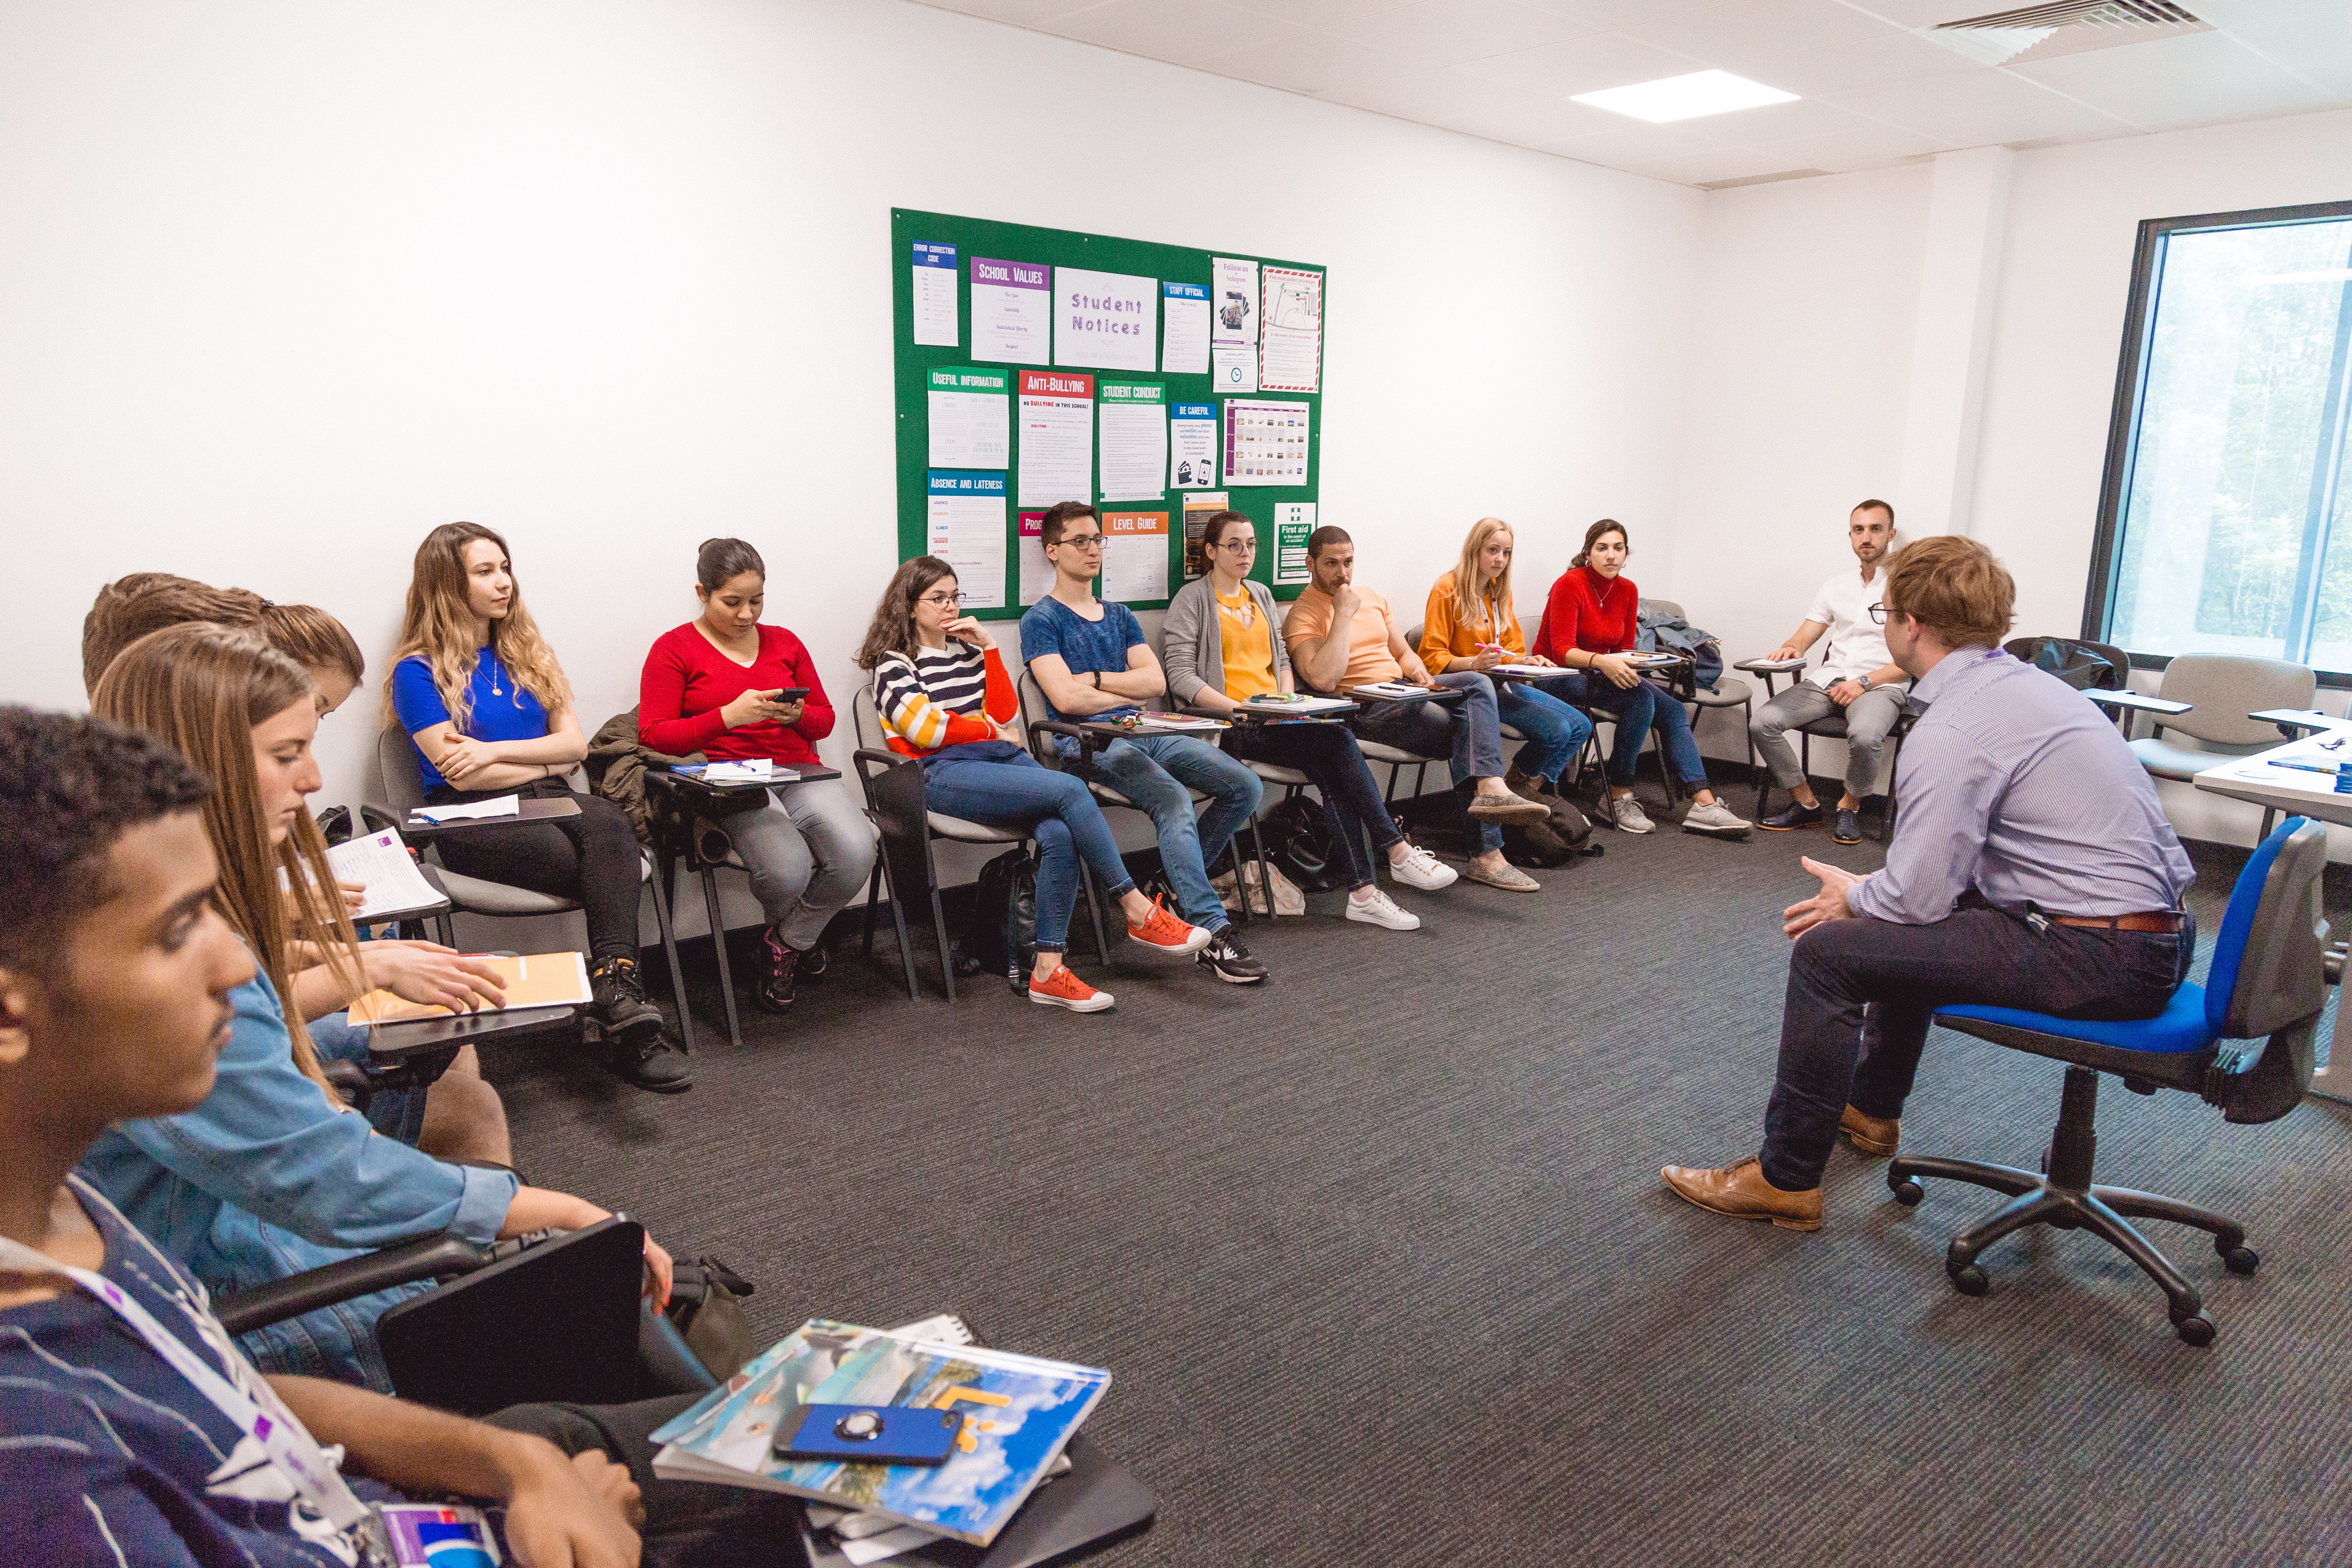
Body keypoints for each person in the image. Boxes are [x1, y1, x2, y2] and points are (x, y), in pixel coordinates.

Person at [0, 706, 796, 1568]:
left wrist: (509, 1461)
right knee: (818, 1491)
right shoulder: (42, 1460)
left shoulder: (62, 1216)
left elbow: (226, 1388)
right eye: (177, 930)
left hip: (381, 1507)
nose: (237, 967)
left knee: (795, 1447)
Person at [84, 623, 672, 1391]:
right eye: (289, 753)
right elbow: (325, 1177)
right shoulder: (159, 971)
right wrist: (555, 1212)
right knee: (549, 1342)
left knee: (529, 1302)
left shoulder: (153, 907)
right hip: (181, 1286)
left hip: (187, 1231)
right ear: (206, 764)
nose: (314, 779)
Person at [1661, 537, 2196, 1231]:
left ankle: (1784, 1179)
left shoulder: (1954, 725)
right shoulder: (2028, 688)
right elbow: (1939, 885)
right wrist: (1879, 896)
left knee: (1830, 954)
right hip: (2157, 936)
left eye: (1886, 610)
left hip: (2101, 955)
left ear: (1910, 623)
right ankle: (1872, 1110)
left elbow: (1915, 897)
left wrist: (1855, 897)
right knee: (1904, 926)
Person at [81, 571, 515, 1160]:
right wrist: (363, 966)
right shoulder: (129, 875)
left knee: (446, 1036)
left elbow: (247, 968)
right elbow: (251, 1014)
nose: (310, 777)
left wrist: (359, 958)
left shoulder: (148, 833)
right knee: (468, 1105)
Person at [387, 521, 690, 1091]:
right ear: (448, 585)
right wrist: (545, 761)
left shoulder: (528, 653)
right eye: (485, 572)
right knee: (606, 860)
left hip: (548, 801)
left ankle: (617, 995)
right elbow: (459, 768)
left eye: (505, 568)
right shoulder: (417, 671)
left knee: (610, 819)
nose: (504, 582)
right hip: (468, 814)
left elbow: (575, 746)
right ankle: (622, 1005)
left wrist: (500, 753)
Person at [861, 556, 1213, 1013]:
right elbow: (927, 732)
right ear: (909, 607)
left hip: (999, 761)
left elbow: (1006, 714)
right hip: (937, 773)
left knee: (1060, 830)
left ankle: (1047, 970)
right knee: (1070, 790)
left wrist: (988, 648)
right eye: (938, 599)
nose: (950, 607)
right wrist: (987, 731)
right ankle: (1135, 907)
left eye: (955, 597)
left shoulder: (968, 653)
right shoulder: (894, 665)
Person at [1163, 510, 1457, 929]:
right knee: (1337, 744)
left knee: (1334, 761)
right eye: (1234, 545)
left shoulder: (1260, 595)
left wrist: (1284, 698)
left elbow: (1281, 658)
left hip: (1272, 715)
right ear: (1211, 551)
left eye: (1250, 544)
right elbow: (1181, 677)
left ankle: (1365, 891)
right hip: (1230, 723)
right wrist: (1239, 709)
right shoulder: (1192, 600)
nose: (1245, 553)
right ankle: (1392, 854)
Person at [1018, 501, 1269, 984]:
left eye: (1097, 540)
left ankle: (1173, 887)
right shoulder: (1041, 620)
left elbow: (1152, 681)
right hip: (1087, 744)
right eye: (1080, 542)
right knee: (1173, 799)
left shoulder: (1120, 614)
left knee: (1245, 785)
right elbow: (1065, 698)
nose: (1093, 550)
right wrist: (1111, 687)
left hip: (1146, 727)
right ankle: (1211, 928)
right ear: (1053, 550)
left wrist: (1093, 677)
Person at [639, 537, 876, 1013]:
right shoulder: (673, 649)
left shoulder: (785, 642)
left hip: (799, 771)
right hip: (730, 780)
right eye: (732, 602)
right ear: (702, 593)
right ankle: (801, 940)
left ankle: (786, 943)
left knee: (857, 852)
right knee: (787, 869)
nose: (747, 614)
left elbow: (825, 720)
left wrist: (797, 717)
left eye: (757, 601)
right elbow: (655, 734)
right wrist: (727, 716)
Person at [1282, 525, 1550, 893]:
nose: (1343, 573)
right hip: (1366, 706)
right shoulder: (1302, 614)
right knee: (1468, 734)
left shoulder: (1372, 597)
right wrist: (1342, 614)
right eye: (1331, 564)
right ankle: (1487, 852)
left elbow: (1402, 651)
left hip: (1405, 692)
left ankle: (1490, 788)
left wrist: (1417, 671)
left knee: (1477, 683)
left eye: (1348, 562)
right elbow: (1324, 680)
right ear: (1310, 564)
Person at [1532, 519, 1752, 838]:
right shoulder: (1570, 584)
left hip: (1601, 671)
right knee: (1641, 699)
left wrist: (1638, 663)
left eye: (1618, 549)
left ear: (1626, 553)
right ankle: (1618, 797)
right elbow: (1562, 649)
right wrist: (1604, 662)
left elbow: (1624, 649)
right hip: (1559, 675)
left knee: (1674, 710)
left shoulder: (1628, 589)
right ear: (1587, 553)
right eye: (1602, 548)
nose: (1611, 556)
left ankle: (1704, 805)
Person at [1749, 500, 1911, 846]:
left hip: (1880, 684)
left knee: (1866, 736)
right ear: (1851, 535)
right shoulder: (1836, 586)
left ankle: (1849, 807)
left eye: (1876, 529)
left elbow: (1914, 661)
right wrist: (1792, 647)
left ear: (1891, 534)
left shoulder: (1911, 587)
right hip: (1830, 679)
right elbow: (1806, 634)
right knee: (1763, 722)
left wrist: (1865, 682)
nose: (1866, 537)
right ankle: (1807, 803)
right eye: (1859, 529)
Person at [1418, 516, 1596, 800]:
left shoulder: (1499, 591)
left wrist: (1527, 662)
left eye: (1507, 553)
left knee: (1581, 727)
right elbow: (1431, 658)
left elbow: (1512, 650)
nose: (1500, 559)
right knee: (1559, 730)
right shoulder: (1447, 588)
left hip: (1501, 684)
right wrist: (1475, 664)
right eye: (1493, 550)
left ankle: (1518, 792)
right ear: (1475, 550)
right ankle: (1514, 799)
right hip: (1467, 689)